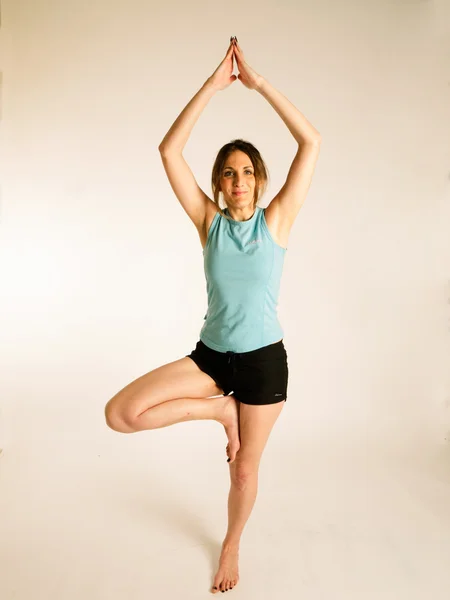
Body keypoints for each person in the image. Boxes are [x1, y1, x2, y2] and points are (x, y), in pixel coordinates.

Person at [104, 36, 321, 594]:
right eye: (227, 172)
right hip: (212, 358)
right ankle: (221, 414)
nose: (237, 180)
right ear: (221, 185)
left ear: (260, 181)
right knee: (121, 413)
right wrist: (213, 86)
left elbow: (311, 141)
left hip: (265, 365)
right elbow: (169, 151)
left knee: (244, 471)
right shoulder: (209, 223)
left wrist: (258, 84)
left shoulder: (277, 223)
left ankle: (231, 544)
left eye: (247, 171)